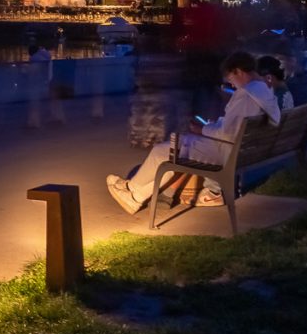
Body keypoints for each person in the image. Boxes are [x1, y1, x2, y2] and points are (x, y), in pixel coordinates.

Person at [106, 51, 280, 214]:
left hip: (228, 152)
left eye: (231, 79)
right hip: (243, 150)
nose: (231, 84)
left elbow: (228, 134)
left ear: (239, 71)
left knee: (163, 150)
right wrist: (214, 125)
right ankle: (136, 195)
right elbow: (236, 126)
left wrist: (203, 129)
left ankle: (133, 191)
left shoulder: (246, 95)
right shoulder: (263, 91)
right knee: (175, 148)